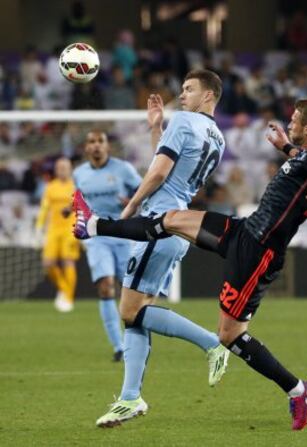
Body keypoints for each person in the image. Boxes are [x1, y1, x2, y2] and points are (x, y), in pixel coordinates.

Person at [74, 98, 307, 430]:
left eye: (295, 119)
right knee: (169, 219)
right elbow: (305, 163)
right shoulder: (304, 154)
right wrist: (285, 146)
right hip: (243, 229)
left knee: (230, 334)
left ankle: (296, 389)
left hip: (258, 253)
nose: (289, 121)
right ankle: (93, 226)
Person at [74, 69, 230, 427]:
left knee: (129, 311)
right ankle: (130, 398)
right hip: (179, 226)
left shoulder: (185, 120)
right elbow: (174, 167)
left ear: (209, 96)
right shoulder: (217, 137)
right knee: (137, 312)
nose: (183, 94)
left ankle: (212, 343)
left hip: (159, 223)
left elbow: (158, 173)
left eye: (189, 88)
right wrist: (156, 128)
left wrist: (129, 211)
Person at [73, 130, 142, 361]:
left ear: (107, 147)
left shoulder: (123, 169)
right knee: (105, 287)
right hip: (97, 237)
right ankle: (118, 347)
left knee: (132, 291)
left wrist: (133, 202)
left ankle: (137, 340)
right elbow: (77, 200)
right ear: (86, 147)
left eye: (100, 141)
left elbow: (145, 192)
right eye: (91, 141)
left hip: (123, 234)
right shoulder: (79, 174)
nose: (96, 146)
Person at [36, 157, 80, 312]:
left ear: (70, 169)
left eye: (65, 167)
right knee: (48, 263)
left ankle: (68, 298)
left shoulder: (76, 186)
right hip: (53, 229)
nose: (62, 170)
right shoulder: (50, 187)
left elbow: (82, 208)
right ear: (55, 170)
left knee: (68, 261)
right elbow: (44, 207)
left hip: (70, 229)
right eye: (59, 167)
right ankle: (63, 288)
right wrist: (39, 226)